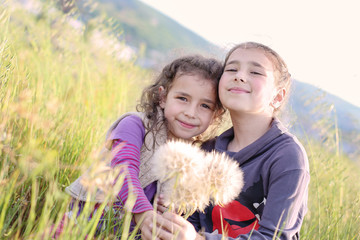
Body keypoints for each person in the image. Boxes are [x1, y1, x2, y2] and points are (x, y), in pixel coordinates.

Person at [151, 42, 310, 240]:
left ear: (277, 96)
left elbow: (275, 236)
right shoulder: (208, 150)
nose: (240, 76)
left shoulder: (287, 157)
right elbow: (194, 220)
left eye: (256, 72)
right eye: (232, 69)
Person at [60, 55, 225, 238]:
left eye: (205, 105)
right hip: (84, 221)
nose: (191, 112)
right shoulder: (135, 125)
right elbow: (123, 168)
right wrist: (143, 211)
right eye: (182, 99)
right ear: (163, 97)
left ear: (215, 115)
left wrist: (172, 207)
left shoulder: (194, 154)